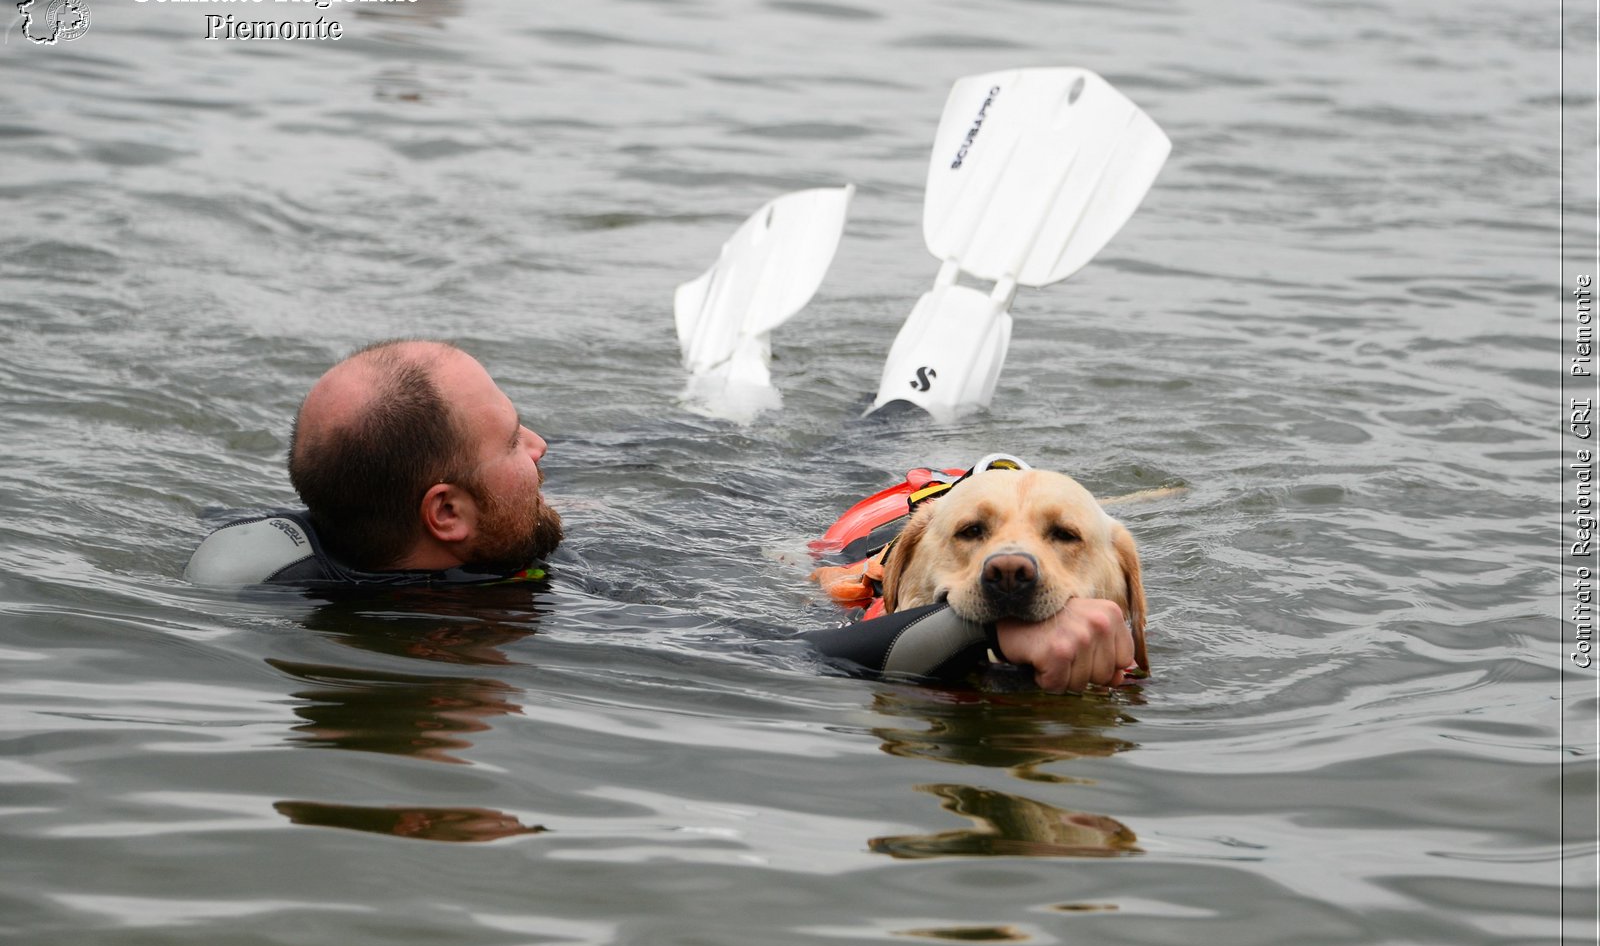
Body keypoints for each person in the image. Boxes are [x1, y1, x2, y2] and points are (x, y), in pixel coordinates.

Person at [185, 340, 1138, 693]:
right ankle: (892, 415)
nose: (544, 445)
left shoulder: (278, 566)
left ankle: (777, 411)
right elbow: (801, 661)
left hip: (655, 522)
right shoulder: (550, 622)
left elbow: (236, 545)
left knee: (744, 466)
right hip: (692, 539)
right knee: (799, 479)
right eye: (517, 442)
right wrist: (994, 640)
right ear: (444, 512)